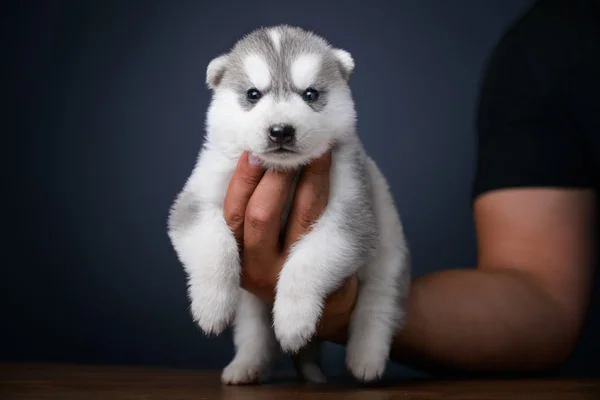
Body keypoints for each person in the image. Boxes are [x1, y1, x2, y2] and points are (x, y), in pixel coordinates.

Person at [221, 0, 600, 376]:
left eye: (310, 96)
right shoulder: (548, 41)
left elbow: (362, 239)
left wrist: (355, 308)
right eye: (253, 95)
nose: (282, 121)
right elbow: (542, 294)